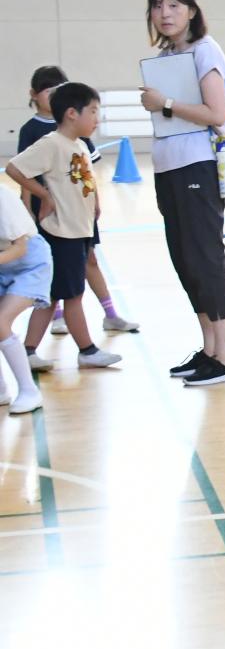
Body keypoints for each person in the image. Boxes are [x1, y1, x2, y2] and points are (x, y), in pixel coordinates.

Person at [138, 0, 225, 386]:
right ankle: (210, 349)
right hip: (168, 168)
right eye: (158, 6)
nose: (165, 13)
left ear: (192, 11)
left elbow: (215, 113)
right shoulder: (168, 57)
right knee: (185, 260)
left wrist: (164, 102)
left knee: (206, 258)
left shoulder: (205, 50)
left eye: (174, 5)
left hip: (198, 166)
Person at [7, 83, 121, 372]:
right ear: (72, 113)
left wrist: (94, 202)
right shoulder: (52, 143)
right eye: (93, 111)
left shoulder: (80, 145)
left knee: (52, 296)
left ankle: (29, 351)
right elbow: (14, 168)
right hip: (62, 233)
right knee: (72, 295)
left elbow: (84, 180)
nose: (97, 118)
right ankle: (87, 350)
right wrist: (44, 195)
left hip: (79, 229)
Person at [20, 66, 137, 337]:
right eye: (49, 91)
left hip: (79, 210)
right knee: (57, 267)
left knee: (89, 261)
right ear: (34, 95)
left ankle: (110, 314)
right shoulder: (38, 134)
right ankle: (59, 320)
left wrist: (95, 201)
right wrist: (32, 205)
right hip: (52, 212)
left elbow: (89, 172)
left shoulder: (80, 136)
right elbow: (23, 171)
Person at [0, 184, 51, 415]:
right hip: (3, 265)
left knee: (1, 322)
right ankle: (2, 390)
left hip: (29, 264)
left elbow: (19, 249)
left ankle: (29, 391)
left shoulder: (3, 197)